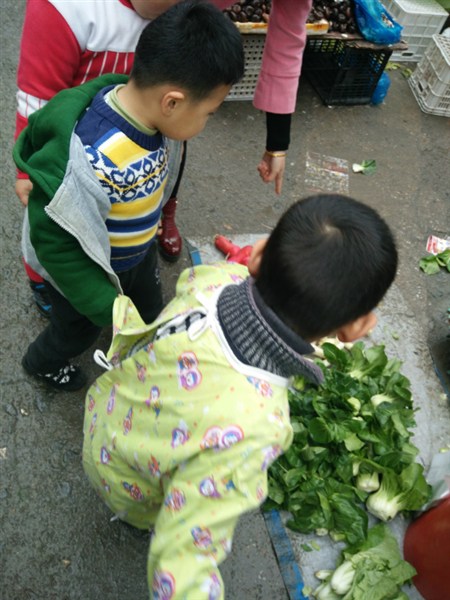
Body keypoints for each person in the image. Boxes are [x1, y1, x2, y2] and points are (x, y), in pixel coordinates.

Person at [82, 193, 398, 599]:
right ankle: (136, 520)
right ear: (355, 329)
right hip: (126, 480)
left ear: (258, 255)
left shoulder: (212, 280)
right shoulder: (256, 427)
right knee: (155, 515)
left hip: (105, 412)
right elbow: (184, 561)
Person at [14, 0, 245, 392]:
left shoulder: (146, 114)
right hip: (88, 268)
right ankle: (43, 362)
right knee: (79, 329)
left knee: (150, 308)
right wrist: (104, 304)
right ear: (172, 102)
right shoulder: (93, 159)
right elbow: (55, 244)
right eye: (208, 113)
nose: (206, 122)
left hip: (135, 253)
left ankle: (145, 342)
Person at [14, 0, 188, 318]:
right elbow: (38, 96)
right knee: (54, 227)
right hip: (70, 159)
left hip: (133, 147)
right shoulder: (66, 8)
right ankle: (43, 280)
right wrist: (30, 170)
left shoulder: (169, 15)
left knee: (114, 220)